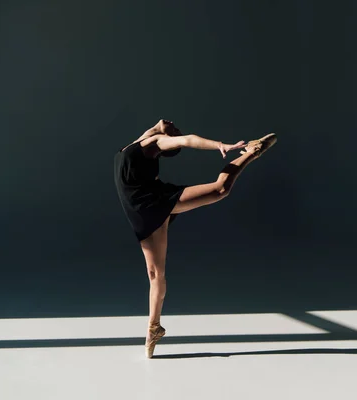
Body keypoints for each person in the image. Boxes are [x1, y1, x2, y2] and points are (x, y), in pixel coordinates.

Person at [113, 119, 277, 358]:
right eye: (174, 127)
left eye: (174, 129)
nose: (173, 125)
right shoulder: (140, 140)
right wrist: (217, 143)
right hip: (141, 210)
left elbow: (188, 140)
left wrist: (220, 145)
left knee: (220, 189)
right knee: (155, 274)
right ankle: (153, 327)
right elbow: (178, 136)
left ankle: (252, 152)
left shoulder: (155, 142)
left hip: (154, 201)